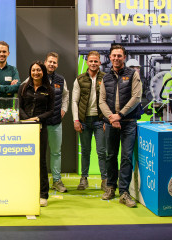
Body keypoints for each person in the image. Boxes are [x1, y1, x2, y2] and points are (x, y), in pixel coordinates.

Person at [98, 44, 142, 207]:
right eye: (114, 55)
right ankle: (111, 187)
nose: (116, 58)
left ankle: (124, 192)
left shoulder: (132, 74)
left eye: (119, 55)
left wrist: (120, 115)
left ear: (124, 57)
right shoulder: (106, 78)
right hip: (111, 123)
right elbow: (101, 101)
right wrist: (111, 118)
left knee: (126, 157)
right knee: (110, 156)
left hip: (128, 122)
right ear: (110, 57)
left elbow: (136, 97)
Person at [18, 61, 55, 207]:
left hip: (40, 128)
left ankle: (43, 194)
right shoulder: (23, 87)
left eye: (39, 70)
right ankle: (25, 192)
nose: (36, 73)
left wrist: (37, 119)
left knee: (41, 161)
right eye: (33, 70)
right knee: (24, 160)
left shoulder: (49, 89)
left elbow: (51, 111)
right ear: (30, 72)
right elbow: (19, 107)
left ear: (43, 72)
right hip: (24, 128)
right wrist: (27, 120)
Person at [71, 51, 106, 191]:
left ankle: (105, 180)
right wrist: (76, 120)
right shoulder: (79, 79)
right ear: (87, 62)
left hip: (100, 121)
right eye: (91, 61)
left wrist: (107, 120)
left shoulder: (105, 78)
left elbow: (109, 100)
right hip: (84, 121)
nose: (93, 63)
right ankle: (84, 179)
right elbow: (74, 101)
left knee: (102, 151)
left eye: (96, 61)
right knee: (85, 151)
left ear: (100, 62)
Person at [43, 52, 69, 193]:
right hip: (40, 123)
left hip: (55, 122)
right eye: (50, 61)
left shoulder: (60, 80)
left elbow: (66, 95)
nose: (52, 64)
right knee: (39, 153)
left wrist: (64, 109)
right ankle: (40, 181)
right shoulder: (37, 75)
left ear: (57, 65)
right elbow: (24, 89)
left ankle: (57, 181)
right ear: (45, 62)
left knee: (56, 153)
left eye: (54, 62)